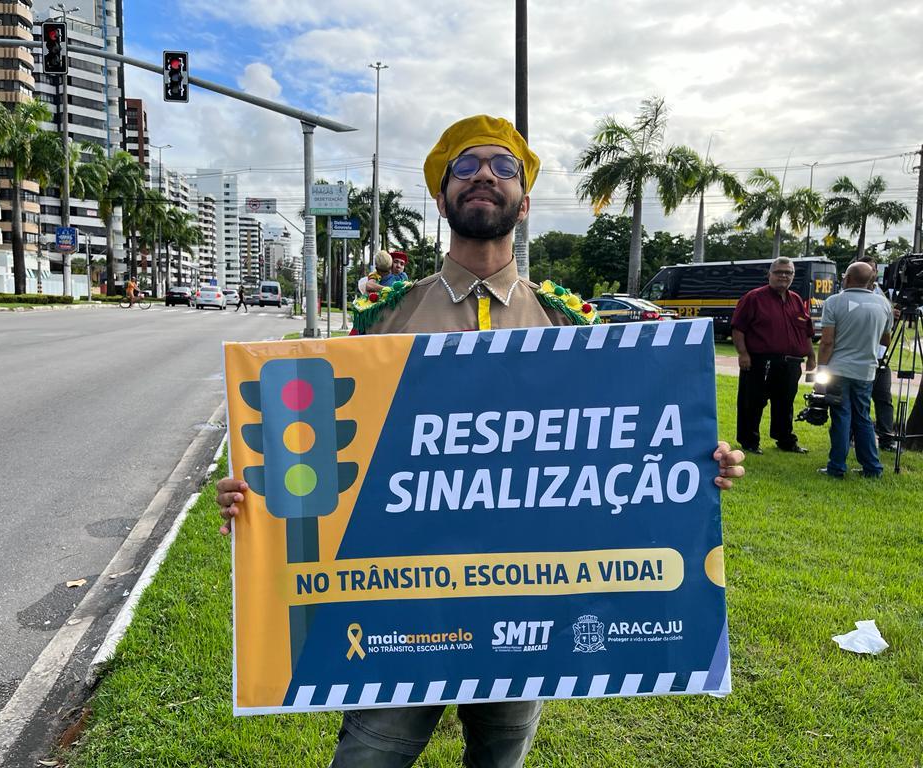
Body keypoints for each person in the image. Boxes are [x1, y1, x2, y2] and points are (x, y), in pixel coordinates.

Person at [216, 115, 746, 768]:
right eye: (464, 167)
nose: (484, 176)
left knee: (500, 760)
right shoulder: (385, 321)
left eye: (503, 167)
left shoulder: (569, 325)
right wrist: (255, 494)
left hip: (526, 606)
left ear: (524, 201)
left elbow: (622, 444)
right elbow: (325, 448)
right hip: (401, 605)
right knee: (369, 757)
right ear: (442, 200)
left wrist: (697, 461)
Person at [731, 257, 816, 455]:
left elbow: (806, 332)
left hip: (791, 363)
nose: (783, 276)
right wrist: (743, 354)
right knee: (752, 402)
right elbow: (738, 328)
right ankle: (749, 441)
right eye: (779, 272)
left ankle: (785, 439)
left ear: (793, 275)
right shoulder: (753, 298)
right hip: (761, 361)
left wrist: (811, 357)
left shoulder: (796, 300)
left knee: (785, 403)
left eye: (788, 272)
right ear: (769, 274)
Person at [816, 262, 893, 478]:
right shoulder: (883, 304)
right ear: (871, 280)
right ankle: (872, 467)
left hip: (839, 369)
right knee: (863, 418)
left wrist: (821, 370)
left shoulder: (834, 301)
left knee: (841, 417)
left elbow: (827, 342)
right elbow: (886, 340)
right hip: (866, 371)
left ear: (848, 278)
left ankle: (837, 467)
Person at [855, 255, 895, 450]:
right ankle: (853, 436)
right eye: (864, 268)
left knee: (884, 398)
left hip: (880, 357)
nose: (869, 272)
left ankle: (887, 438)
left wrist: (893, 315)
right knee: (857, 401)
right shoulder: (850, 293)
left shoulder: (883, 295)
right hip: (859, 357)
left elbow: (887, 333)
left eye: (872, 269)